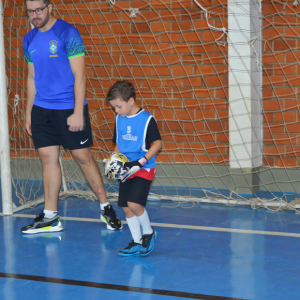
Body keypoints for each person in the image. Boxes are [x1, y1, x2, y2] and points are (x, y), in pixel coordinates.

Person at [21, 0, 122, 234]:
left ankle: (106, 207)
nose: (35, 15)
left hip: (69, 108)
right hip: (41, 110)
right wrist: (29, 112)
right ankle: (50, 217)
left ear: (49, 7)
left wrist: (78, 112)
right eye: (30, 11)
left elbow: (80, 75)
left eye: (39, 10)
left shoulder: (68, 32)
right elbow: (31, 78)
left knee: (83, 157)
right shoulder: (28, 39)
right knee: (48, 159)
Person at [106, 81, 162, 256]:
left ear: (130, 101)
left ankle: (148, 233)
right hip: (126, 169)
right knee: (126, 207)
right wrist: (113, 160)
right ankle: (137, 241)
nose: (116, 110)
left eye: (118, 106)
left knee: (134, 203)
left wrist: (142, 162)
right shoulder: (119, 119)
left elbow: (158, 143)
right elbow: (119, 145)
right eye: (114, 107)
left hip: (143, 168)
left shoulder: (147, 119)